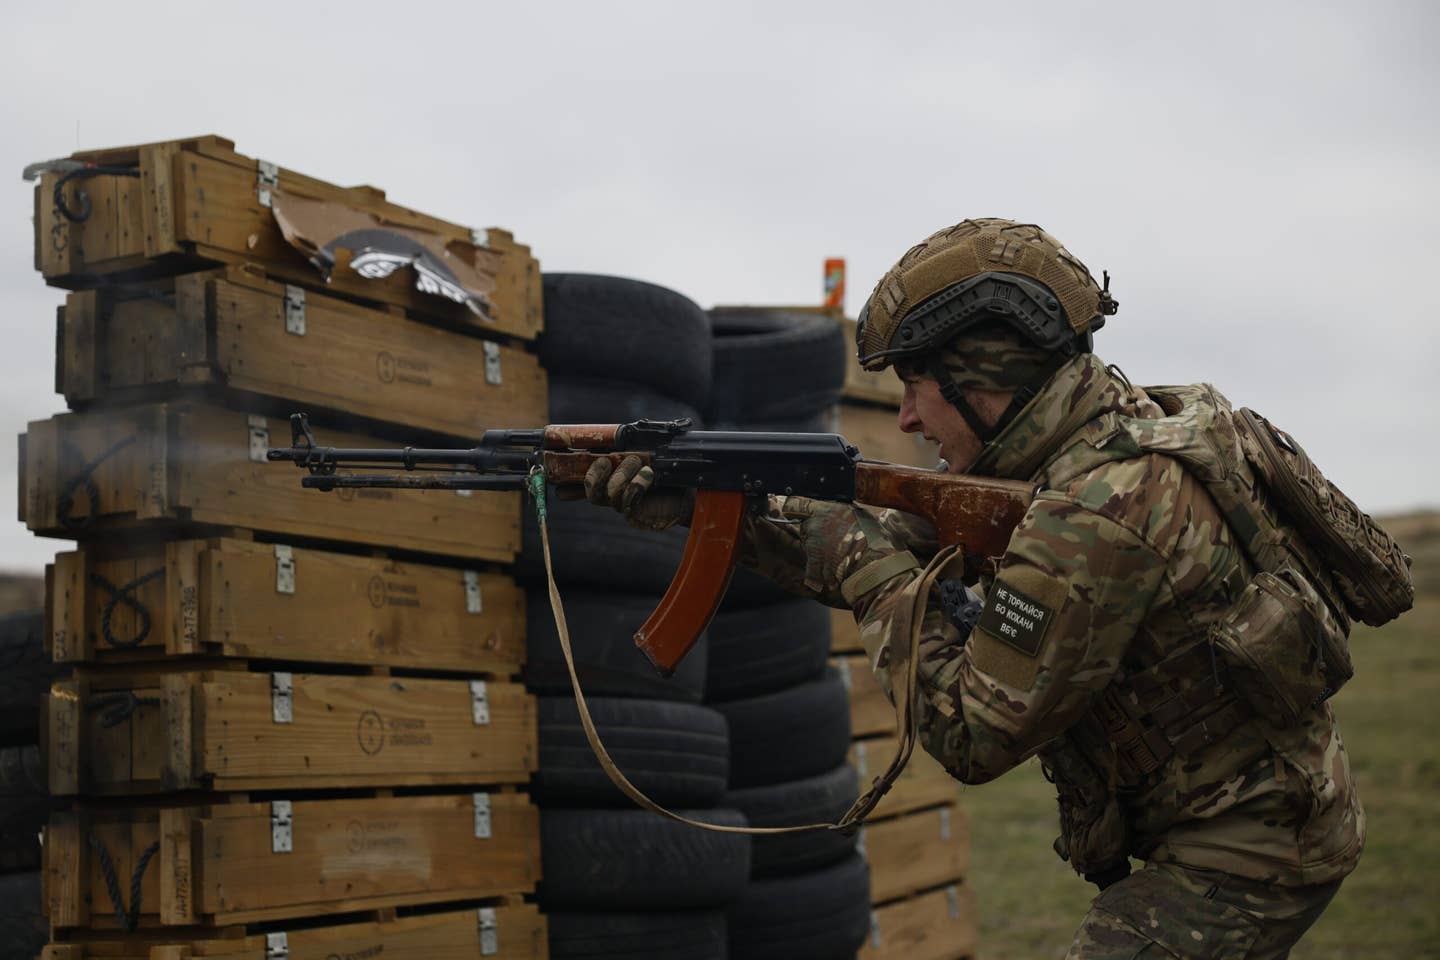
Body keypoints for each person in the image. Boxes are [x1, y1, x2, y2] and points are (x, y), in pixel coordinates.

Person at [582, 219, 1365, 959]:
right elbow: (885, 544)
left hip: (1248, 847)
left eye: (921, 384)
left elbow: (970, 734)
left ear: (991, 373)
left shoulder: (1097, 512)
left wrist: (859, 561)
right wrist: (707, 513)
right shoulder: (1096, 441)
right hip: (1254, 811)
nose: (910, 417)